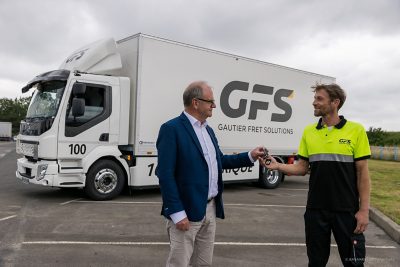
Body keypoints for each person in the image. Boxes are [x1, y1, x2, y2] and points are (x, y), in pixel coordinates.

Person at [156, 81, 266, 267]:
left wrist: (250, 155)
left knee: (203, 264)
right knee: (179, 264)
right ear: (195, 102)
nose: (214, 106)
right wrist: (176, 213)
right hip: (186, 212)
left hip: (210, 209)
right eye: (210, 101)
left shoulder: (208, 130)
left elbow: (219, 161)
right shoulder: (171, 129)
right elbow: (165, 174)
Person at [264, 83, 371, 267]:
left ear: (335, 102)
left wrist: (363, 211)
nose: (314, 103)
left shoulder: (356, 130)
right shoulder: (309, 132)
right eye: (315, 99)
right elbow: (302, 168)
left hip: (347, 211)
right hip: (315, 210)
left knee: (354, 263)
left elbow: (363, 174)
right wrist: (278, 166)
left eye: (319, 99)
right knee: (315, 262)